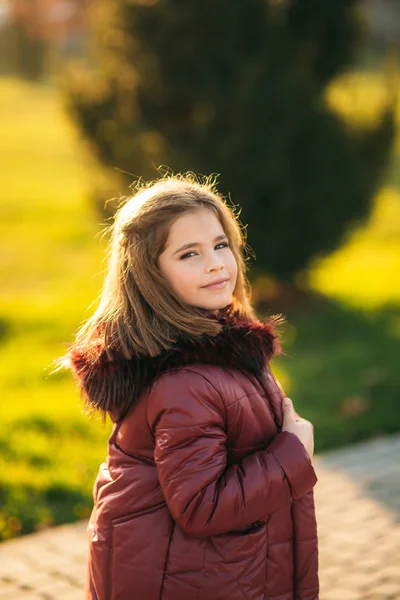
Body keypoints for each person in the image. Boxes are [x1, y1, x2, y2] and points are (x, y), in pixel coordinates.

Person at [59, 173, 318, 600]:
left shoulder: (221, 346)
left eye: (220, 245)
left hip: (222, 570)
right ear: (149, 275)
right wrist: (293, 451)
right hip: (190, 579)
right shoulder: (185, 383)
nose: (216, 263)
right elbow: (203, 506)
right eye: (188, 254)